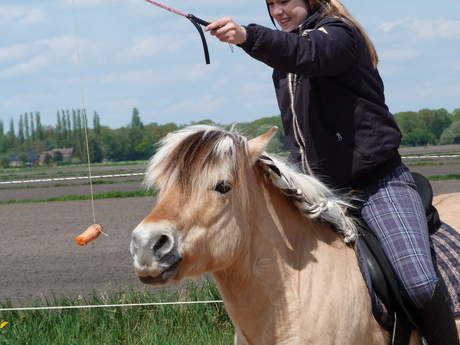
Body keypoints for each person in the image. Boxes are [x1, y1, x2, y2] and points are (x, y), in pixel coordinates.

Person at [205, 0, 459, 343]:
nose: (279, 11)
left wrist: (247, 35)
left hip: (377, 184)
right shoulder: (285, 63)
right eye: (272, 4)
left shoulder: (339, 35)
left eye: (286, 1)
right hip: (321, 193)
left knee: (418, 284)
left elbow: (306, 53)